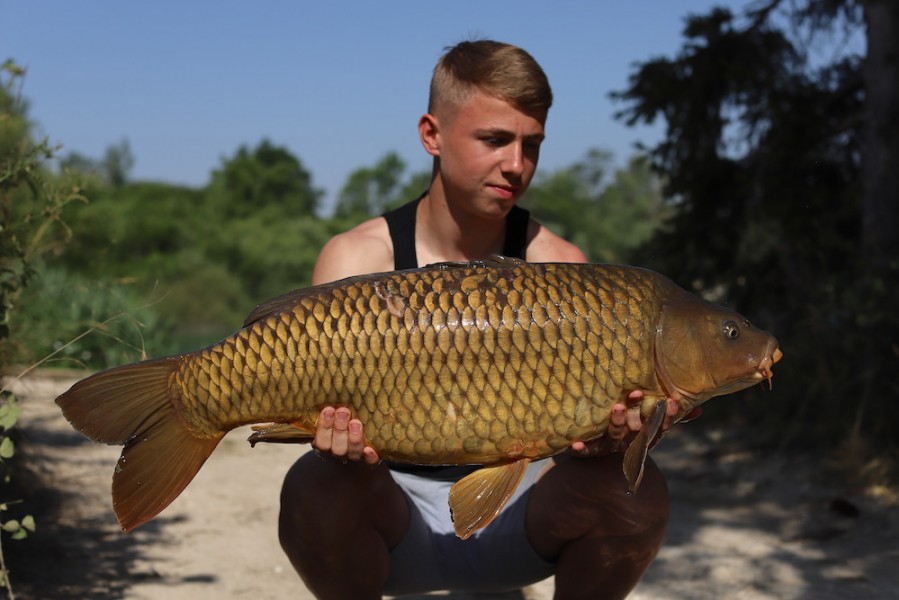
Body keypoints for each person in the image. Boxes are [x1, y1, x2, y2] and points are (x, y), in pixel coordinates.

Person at [278, 39, 682, 599]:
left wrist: (617, 437)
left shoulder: (561, 267)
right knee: (315, 483)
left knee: (636, 489)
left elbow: (582, 454)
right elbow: (320, 424)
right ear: (431, 135)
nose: (516, 166)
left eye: (531, 145)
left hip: (520, 522)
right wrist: (329, 440)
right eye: (494, 140)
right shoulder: (358, 260)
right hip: (392, 522)